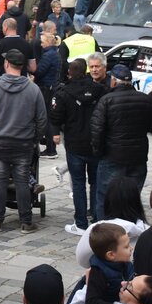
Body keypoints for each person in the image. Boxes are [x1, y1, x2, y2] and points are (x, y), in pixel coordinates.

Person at [0, 49, 47, 233]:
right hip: (23, 142)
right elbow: (42, 119)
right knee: (22, 180)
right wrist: (35, 138)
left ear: (6, 64)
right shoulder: (33, 89)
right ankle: (26, 222)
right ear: (22, 66)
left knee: (0, 179)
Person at [49, 58, 107, 235]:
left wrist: (56, 132)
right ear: (86, 70)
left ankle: (81, 222)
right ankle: (96, 220)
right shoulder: (100, 90)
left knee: (78, 183)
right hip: (96, 143)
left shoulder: (64, 92)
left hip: (75, 143)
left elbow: (56, 116)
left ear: (69, 73)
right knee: (96, 182)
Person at [92, 65, 152, 210]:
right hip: (137, 156)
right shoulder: (145, 99)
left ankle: (106, 224)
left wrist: (98, 152)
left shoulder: (107, 100)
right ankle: (129, 222)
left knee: (105, 197)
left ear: (114, 81)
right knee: (132, 198)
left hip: (112, 156)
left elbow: (97, 130)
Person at [78, 223, 135, 304]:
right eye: (126, 247)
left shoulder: (125, 264)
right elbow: (92, 302)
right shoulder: (98, 272)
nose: (131, 248)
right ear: (111, 255)